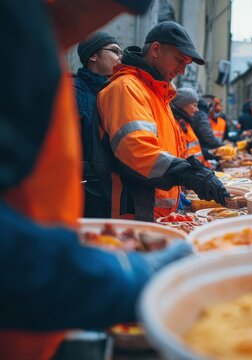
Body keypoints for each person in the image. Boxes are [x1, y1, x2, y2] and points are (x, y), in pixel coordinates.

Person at [0, 1, 194, 359]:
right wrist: (115, 277)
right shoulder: (18, 44)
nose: (118, 17)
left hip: (36, 322)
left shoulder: (40, 47)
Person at [97, 21, 229, 221]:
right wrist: (188, 173)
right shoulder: (126, 87)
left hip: (154, 213)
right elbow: (137, 150)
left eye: (186, 65)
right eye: (179, 60)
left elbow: (169, 150)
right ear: (156, 49)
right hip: (134, 213)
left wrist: (192, 175)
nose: (182, 70)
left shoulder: (158, 94)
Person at [74, 31, 122, 217]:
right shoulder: (71, 92)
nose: (120, 57)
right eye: (115, 51)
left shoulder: (118, 90)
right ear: (93, 55)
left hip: (111, 189)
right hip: (83, 190)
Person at [171, 87, 207, 165]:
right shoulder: (177, 124)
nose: (197, 109)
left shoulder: (185, 123)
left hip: (197, 172)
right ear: (183, 105)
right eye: (194, 105)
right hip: (192, 173)